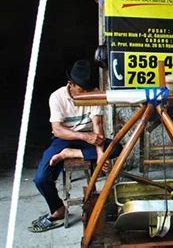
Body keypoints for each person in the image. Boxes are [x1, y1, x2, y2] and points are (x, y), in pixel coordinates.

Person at [28, 60, 122, 232]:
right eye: (81, 90)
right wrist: (84, 136)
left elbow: (98, 125)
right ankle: (57, 209)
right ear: (70, 84)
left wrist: (101, 154)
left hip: (89, 139)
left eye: (88, 90)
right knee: (41, 179)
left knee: (116, 148)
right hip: (64, 138)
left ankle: (70, 153)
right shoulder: (57, 97)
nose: (85, 94)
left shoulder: (93, 94)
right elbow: (57, 130)